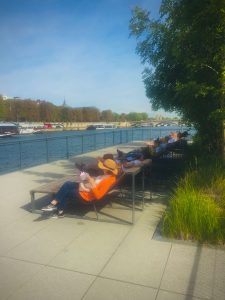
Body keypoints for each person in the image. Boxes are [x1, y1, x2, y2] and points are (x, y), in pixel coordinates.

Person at [41, 159, 119, 218]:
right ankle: (54, 204)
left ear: (106, 169)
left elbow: (98, 196)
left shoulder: (109, 179)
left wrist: (90, 182)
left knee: (67, 191)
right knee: (67, 184)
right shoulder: (107, 176)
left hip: (87, 196)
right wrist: (88, 179)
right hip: (87, 189)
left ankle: (57, 208)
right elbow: (96, 182)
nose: (101, 168)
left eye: (103, 167)